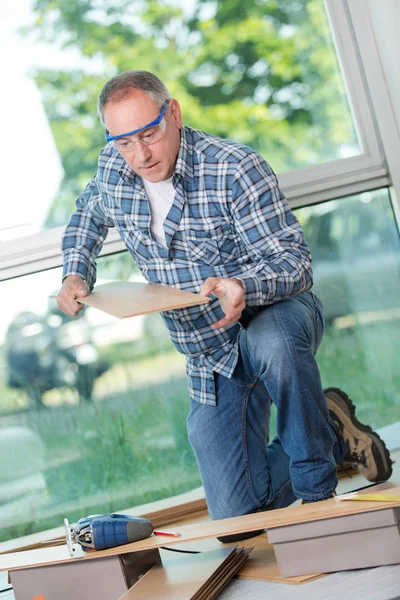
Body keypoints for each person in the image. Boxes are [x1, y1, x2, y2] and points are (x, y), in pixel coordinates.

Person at [57, 70, 392, 540]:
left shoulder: (234, 167)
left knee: (272, 343)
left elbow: (294, 264)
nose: (140, 155)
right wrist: (76, 270)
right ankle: (333, 432)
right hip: (210, 350)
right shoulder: (115, 168)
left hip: (275, 315)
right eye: (123, 143)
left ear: (172, 113)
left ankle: (320, 500)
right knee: (236, 522)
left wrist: (242, 285)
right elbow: (86, 213)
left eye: (149, 135)